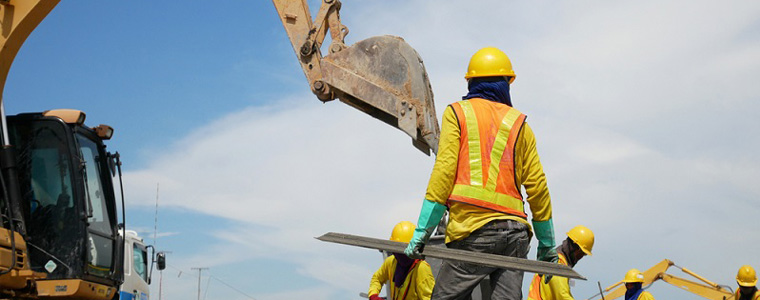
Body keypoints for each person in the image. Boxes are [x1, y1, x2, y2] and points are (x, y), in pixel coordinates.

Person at [404, 47, 557, 300]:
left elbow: (443, 174)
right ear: (506, 83)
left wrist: (423, 231)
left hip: (473, 233)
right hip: (515, 238)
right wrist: (547, 243)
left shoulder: (457, 113)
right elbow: (538, 188)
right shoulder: (520, 125)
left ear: (472, 81)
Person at [368, 221, 435, 300]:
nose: (401, 255)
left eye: (404, 250)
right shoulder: (391, 262)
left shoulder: (421, 269)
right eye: (398, 250)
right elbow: (377, 278)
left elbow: (428, 298)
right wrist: (373, 295)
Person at [526, 225, 594, 300]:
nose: (580, 257)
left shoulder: (556, 260)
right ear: (574, 247)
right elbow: (562, 295)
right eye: (581, 254)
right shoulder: (558, 263)